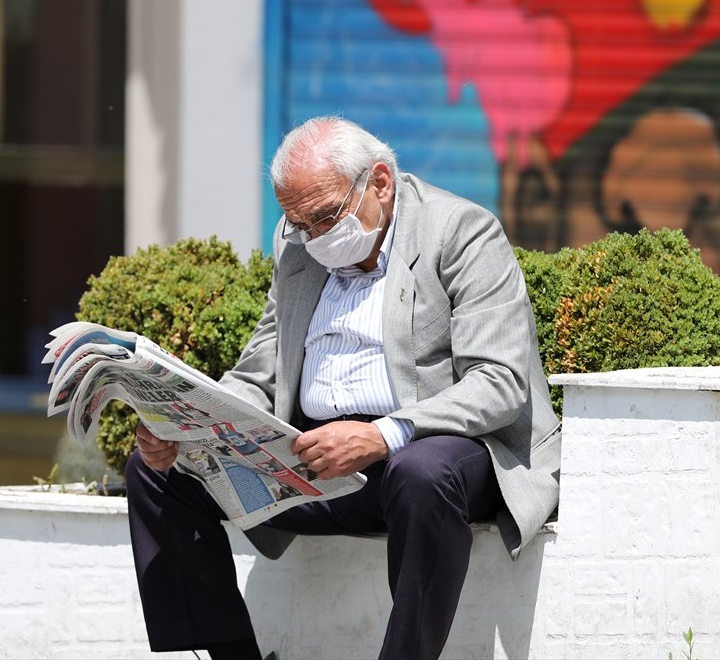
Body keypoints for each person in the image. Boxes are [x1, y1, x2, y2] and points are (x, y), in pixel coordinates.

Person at [125, 116, 562, 660]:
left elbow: (500, 384)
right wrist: (189, 424)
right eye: (298, 222)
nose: (313, 237)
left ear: (380, 182)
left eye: (325, 216)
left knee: (420, 472)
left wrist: (383, 435)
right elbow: (261, 371)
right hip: (319, 459)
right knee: (159, 471)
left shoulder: (461, 232)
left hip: (438, 452)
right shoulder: (299, 248)